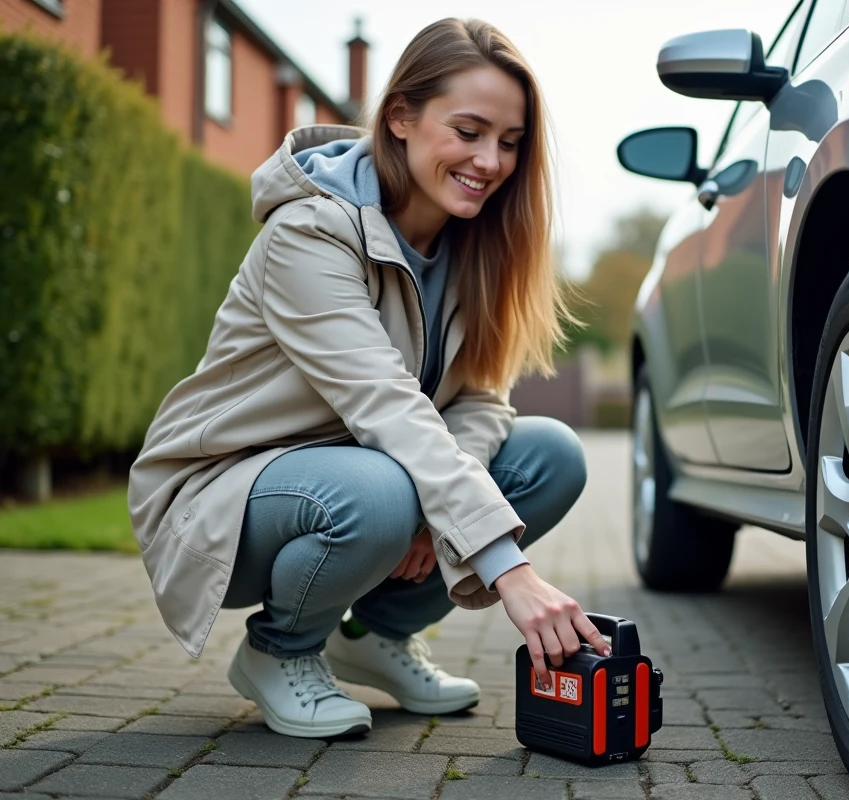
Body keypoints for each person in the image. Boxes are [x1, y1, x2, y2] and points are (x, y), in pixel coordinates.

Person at [126, 17, 611, 739]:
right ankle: (279, 650)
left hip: (368, 476)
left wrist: (437, 514)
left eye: (510, 143)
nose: (492, 161)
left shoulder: (471, 248)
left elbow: (480, 398)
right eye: (470, 131)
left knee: (550, 455)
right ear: (401, 118)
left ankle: (376, 638)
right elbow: (386, 406)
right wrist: (508, 569)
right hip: (224, 498)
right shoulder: (310, 234)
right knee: (382, 489)